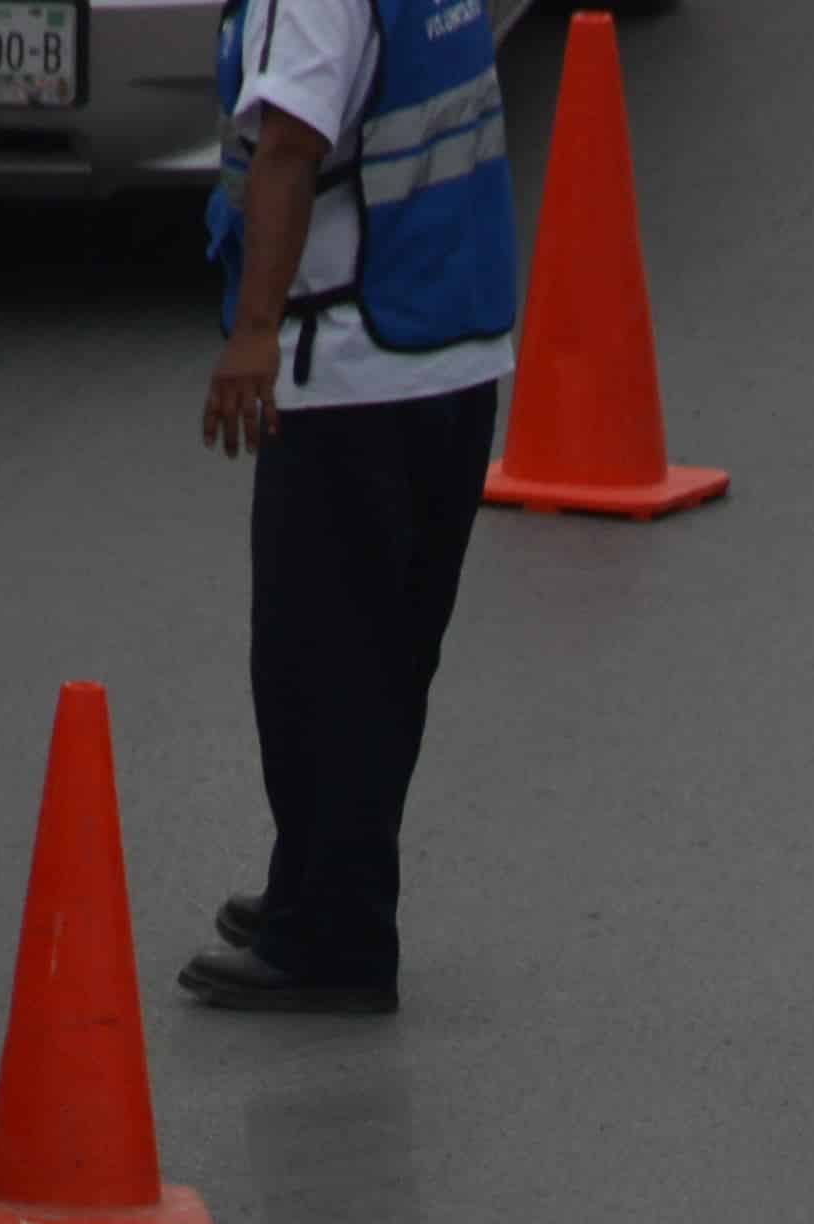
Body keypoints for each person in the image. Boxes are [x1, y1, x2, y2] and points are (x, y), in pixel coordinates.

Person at [181, 0, 519, 1017]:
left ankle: (331, 935)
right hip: (452, 346)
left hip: (357, 362)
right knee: (383, 659)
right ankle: (323, 885)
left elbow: (288, 145)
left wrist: (253, 334)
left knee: (316, 665)